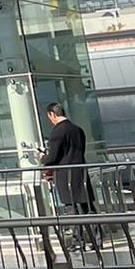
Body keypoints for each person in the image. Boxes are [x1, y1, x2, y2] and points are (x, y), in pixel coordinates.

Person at [42, 103, 96, 250]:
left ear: (52, 114)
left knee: (71, 208)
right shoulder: (77, 129)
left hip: (65, 175)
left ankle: (78, 241)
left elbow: (53, 157)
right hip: (81, 172)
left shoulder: (57, 132)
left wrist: (43, 158)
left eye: (49, 117)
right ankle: (96, 239)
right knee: (88, 207)